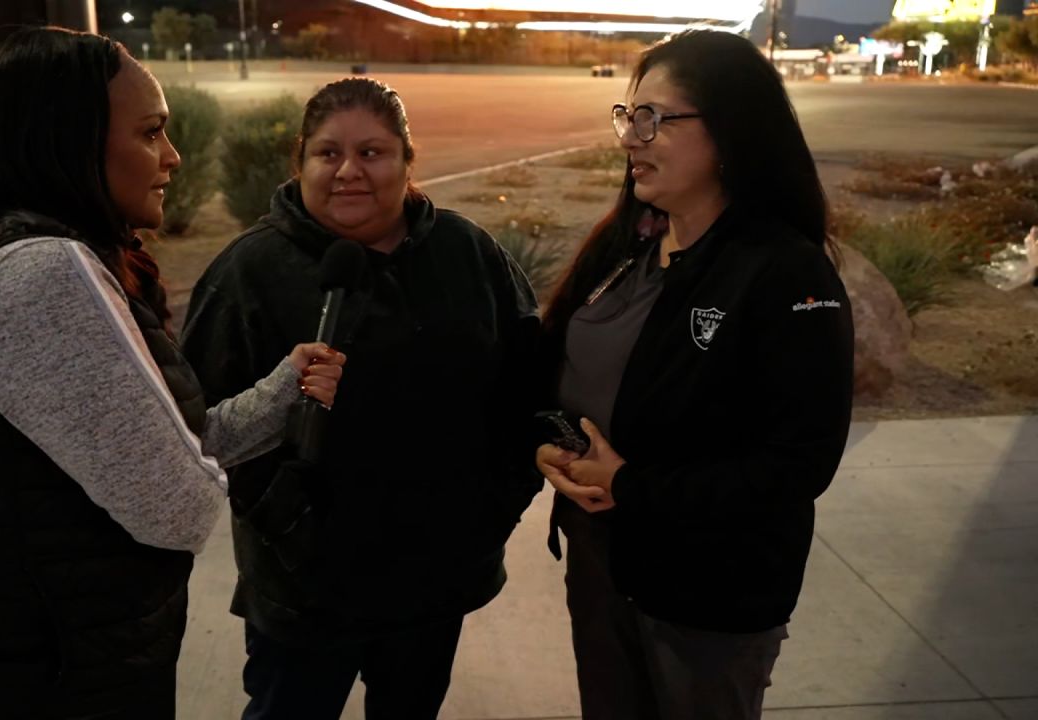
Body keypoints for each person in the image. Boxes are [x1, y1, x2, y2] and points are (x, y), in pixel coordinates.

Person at [0, 26, 345, 719]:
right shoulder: (38, 275)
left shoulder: (6, 252)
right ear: (66, 140)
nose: (173, 157)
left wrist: (280, 391)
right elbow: (175, 504)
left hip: (11, 661)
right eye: (150, 133)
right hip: (26, 682)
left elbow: (149, 451)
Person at [180, 77, 541, 720]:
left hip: (435, 582)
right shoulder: (249, 272)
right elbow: (197, 426)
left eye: (372, 153)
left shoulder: (468, 253)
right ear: (300, 162)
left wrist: (493, 509)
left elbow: (526, 384)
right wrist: (291, 525)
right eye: (328, 154)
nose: (349, 171)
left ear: (407, 160)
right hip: (306, 593)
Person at [534, 30, 855, 720]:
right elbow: (549, 370)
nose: (630, 138)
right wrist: (546, 446)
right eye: (627, 116)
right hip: (601, 572)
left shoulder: (784, 271)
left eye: (654, 119)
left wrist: (630, 485)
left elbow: (798, 463)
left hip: (709, 601)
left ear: (731, 131)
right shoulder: (628, 242)